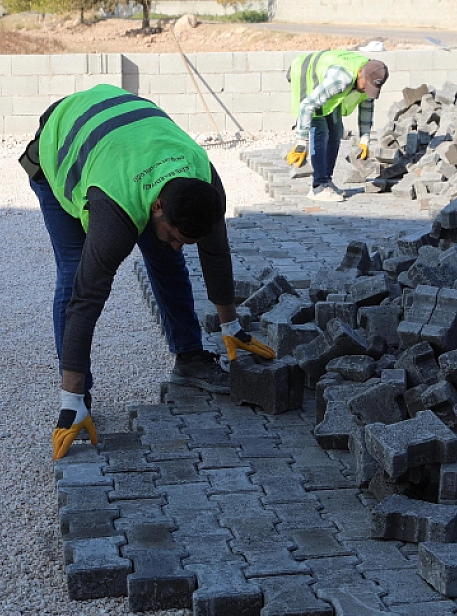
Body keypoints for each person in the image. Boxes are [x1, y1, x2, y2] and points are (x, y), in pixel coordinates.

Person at [21, 84, 277, 461]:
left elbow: (216, 252)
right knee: (76, 273)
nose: (178, 244)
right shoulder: (114, 210)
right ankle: (78, 400)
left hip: (128, 140)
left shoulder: (204, 183)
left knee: (167, 260)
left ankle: (189, 358)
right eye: (175, 235)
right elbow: (86, 298)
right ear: (157, 207)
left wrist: (230, 327)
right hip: (61, 144)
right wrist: (69, 397)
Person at [286, 51, 389, 202]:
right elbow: (307, 106)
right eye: (365, 86)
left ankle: (326, 181)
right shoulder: (341, 79)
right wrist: (301, 143)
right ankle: (318, 186)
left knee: (336, 130)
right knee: (320, 130)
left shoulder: (370, 77)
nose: (366, 90)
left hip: (327, 82)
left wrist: (364, 140)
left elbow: (367, 108)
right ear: (360, 73)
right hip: (307, 75)